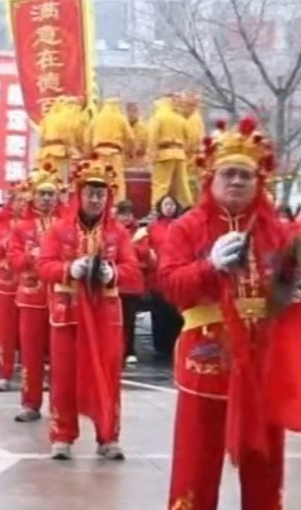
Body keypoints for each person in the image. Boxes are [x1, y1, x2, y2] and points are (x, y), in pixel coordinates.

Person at [161, 118, 293, 510]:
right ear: (210, 178)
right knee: (196, 462)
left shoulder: (278, 232)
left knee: (265, 462)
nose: (237, 181)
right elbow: (169, 284)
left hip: (263, 358)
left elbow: (289, 288)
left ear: (259, 182)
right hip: (206, 356)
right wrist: (209, 267)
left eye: (246, 175)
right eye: (228, 173)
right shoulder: (187, 227)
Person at [38, 157, 141, 460]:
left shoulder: (118, 233)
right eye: (90, 193)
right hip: (68, 314)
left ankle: (108, 437)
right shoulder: (59, 230)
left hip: (104, 315)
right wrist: (69, 269)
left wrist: (113, 273)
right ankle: (62, 436)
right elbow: (43, 265)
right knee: (64, 378)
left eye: (101, 194)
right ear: (79, 194)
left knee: (107, 377)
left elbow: (133, 270)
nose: (95, 199)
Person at [8, 164, 62, 422]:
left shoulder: (65, 225)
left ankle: (61, 405)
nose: (47, 198)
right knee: (31, 354)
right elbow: (14, 260)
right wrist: (33, 257)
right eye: (42, 193)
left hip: (61, 297)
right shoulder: (21, 228)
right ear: (33, 196)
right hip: (31, 297)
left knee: (62, 355)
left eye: (51, 193)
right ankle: (31, 403)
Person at [0, 183, 29, 392]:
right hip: (6, 282)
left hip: (31, 282)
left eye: (26, 200)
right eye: (19, 200)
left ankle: (33, 375)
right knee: (5, 330)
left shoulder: (35, 223)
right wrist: (6, 243)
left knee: (32, 331)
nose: (22, 204)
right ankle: (4, 374)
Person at [148, 195, 184, 359]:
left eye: (171, 205)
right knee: (159, 310)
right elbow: (146, 245)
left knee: (175, 310)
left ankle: (175, 343)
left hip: (176, 272)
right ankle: (160, 345)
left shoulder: (181, 225)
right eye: (166, 205)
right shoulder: (153, 226)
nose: (169, 208)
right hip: (157, 273)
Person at [85, 98, 135, 202]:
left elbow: (87, 138)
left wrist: (88, 154)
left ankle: (99, 200)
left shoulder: (96, 118)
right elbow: (131, 138)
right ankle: (118, 203)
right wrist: (130, 153)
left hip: (98, 154)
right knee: (117, 180)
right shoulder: (121, 118)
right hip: (115, 154)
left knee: (99, 178)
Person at [113, 200, 145, 365]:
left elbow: (144, 254)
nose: (126, 218)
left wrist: (130, 247)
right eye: (122, 214)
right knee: (114, 321)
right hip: (114, 283)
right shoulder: (112, 232)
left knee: (129, 320)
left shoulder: (140, 233)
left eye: (129, 214)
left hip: (132, 284)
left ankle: (129, 350)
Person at [147, 96, 194, 206]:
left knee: (161, 185)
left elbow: (152, 139)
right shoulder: (180, 119)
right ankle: (187, 207)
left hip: (164, 155)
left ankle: (157, 208)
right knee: (182, 186)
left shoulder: (158, 117)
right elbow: (190, 138)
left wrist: (150, 158)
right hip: (180, 155)